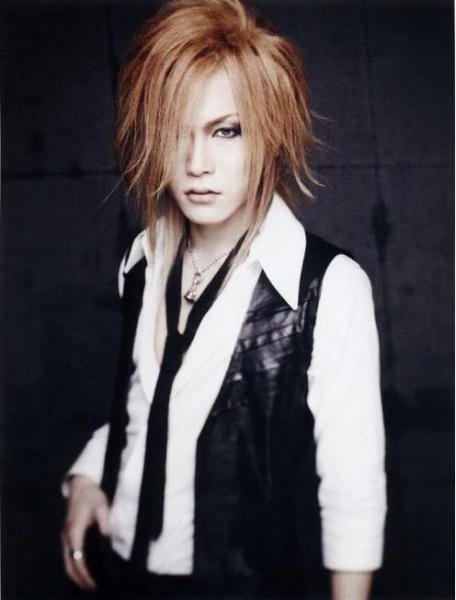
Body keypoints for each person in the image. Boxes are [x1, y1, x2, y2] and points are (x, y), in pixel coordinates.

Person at [61, 0, 387, 598]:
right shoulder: (145, 258)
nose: (196, 164)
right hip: (119, 573)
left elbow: (353, 492)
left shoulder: (329, 287)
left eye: (225, 131)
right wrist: (87, 477)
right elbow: (149, 403)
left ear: (269, 132)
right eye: (176, 133)